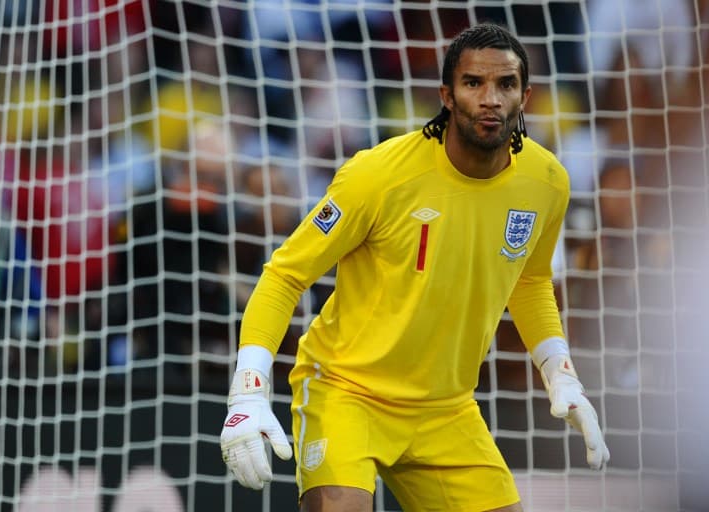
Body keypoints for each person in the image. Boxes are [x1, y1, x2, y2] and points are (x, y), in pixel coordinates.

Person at [220, 23, 609, 512]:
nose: (490, 98)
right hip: (347, 391)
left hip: (446, 407)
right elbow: (284, 275)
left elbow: (528, 281)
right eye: (473, 83)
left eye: (505, 84)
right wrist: (248, 392)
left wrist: (561, 374)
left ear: (525, 95)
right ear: (446, 94)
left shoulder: (547, 181)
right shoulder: (378, 175)